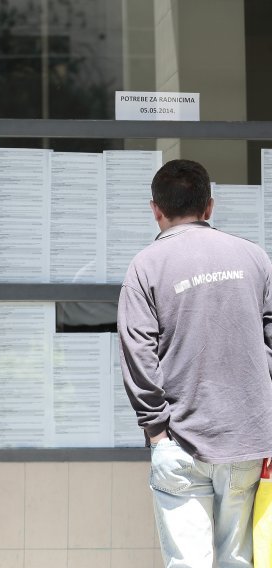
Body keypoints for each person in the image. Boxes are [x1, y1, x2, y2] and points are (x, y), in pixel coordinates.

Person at [117, 159, 272, 568]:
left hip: (179, 442)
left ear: (156, 209)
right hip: (246, 442)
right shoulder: (255, 258)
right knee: (236, 560)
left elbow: (138, 352)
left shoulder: (146, 266)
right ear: (210, 207)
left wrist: (157, 433)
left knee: (188, 563)